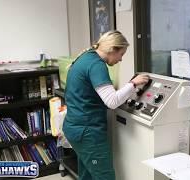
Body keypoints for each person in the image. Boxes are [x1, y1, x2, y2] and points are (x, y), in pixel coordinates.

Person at [62, 30, 149, 180]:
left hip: (75, 128)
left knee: (88, 174)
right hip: (88, 133)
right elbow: (112, 101)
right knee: (104, 176)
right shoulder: (97, 65)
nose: (121, 59)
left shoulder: (86, 57)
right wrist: (133, 83)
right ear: (113, 49)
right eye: (121, 54)